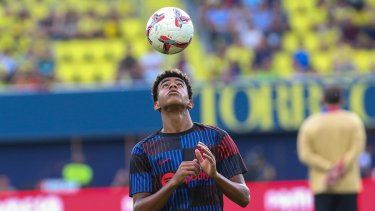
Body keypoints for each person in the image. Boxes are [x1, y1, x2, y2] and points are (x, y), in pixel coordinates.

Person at [129, 69, 250, 210]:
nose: (173, 86)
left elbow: (244, 197)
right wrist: (174, 182)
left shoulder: (217, 137)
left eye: (179, 84)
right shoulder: (142, 150)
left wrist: (215, 175)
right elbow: (139, 208)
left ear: (190, 102)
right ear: (156, 104)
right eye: (165, 85)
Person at [297, 85, 366, 211]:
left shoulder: (310, 124)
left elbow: (305, 154)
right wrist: (339, 167)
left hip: (323, 185)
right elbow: (356, 149)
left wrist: (330, 168)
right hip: (348, 184)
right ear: (342, 100)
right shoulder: (354, 121)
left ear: (323, 99)